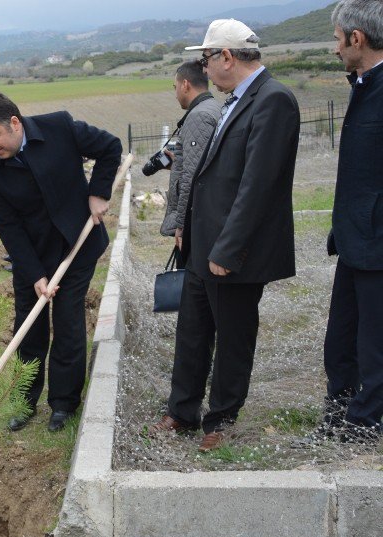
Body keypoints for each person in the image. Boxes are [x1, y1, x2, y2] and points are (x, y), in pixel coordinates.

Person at [148, 19, 300, 452]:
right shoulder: (235, 100)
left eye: (206, 58)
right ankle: (182, 412)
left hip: (233, 251)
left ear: (226, 57)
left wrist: (228, 249)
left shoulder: (274, 101)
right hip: (201, 243)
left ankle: (222, 420)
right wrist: (187, 225)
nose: (205, 67)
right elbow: (211, 176)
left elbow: (258, 186)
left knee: (233, 337)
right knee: (192, 332)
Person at [0, 92, 122, 433]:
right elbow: (7, 224)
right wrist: (36, 274)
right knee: (30, 324)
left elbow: (110, 147)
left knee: (68, 321)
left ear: (14, 123)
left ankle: (64, 403)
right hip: (32, 254)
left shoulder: (59, 127)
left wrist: (99, 192)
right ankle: (25, 401)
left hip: (76, 245)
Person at [305, 0, 383, 444]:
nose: (335, 49)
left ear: (357, 39)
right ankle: (338, 415)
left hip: (378, 242)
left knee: (374, 347)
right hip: (355, 241)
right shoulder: (363, 82)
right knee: (340, 344)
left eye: (337, 39)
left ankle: (365, 426)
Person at [159, 61, 222, 244]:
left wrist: (182, 225)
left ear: (185, 84)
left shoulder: (198, 117)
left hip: (198, 222)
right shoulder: (214, 107)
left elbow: (193, 177)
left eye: (175, 86)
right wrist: (176, 163)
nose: (175, 92)